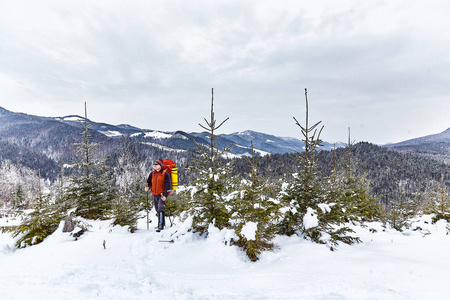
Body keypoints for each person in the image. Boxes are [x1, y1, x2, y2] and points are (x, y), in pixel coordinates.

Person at [145, 159, 172, 232]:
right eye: (154, 166)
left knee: (160, 208)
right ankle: (162, 224)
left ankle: (160, 226)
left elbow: (168, 186)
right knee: (157, 209)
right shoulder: (152, 174)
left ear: (160, 166)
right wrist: (147, 187)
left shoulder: (165, 174)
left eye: (156, 165)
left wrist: (165, 196)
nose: (154, 167)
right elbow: (149, 182)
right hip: (154, 194)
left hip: (162, 195)